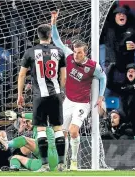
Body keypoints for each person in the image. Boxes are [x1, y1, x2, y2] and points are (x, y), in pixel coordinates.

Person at [51, 10, 107, 170]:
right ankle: (64, 162)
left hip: (82, 103)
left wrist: (101, 96)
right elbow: (57, 40)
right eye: (75, 52)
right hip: (68, 100)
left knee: (74, 131)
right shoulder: (68, 56)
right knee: (62, 134)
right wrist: (53, 22)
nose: (76, 55)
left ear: (85, 53)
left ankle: (74, 161)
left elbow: (103, 78)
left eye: (79, 53)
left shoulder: (93, 66)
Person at [17, 23, 66, 172]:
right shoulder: (59, 52)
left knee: (41, 130)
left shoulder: (30, 52)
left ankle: (44, 165)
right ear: (50, 35)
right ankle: (62, 164)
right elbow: (63, 77)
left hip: (40, 96)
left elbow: (21, 75)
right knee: (58, 129)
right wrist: (60, 91)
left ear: (38, 36)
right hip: (56, 94)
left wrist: (19, 95)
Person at [100, 6, 135, 81]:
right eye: (119, 13)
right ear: (114, 17)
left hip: (129, 69)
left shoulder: (133, 31)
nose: (122, 15)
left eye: (124, 14)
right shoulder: (107, 30)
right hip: (110, 68)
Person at [107, 62, 135, 136]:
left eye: (133, 71)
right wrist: (111, 68)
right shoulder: (122, 86)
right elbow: (109, 84)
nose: (130, 72)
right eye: (128, 71)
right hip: (124, 123)